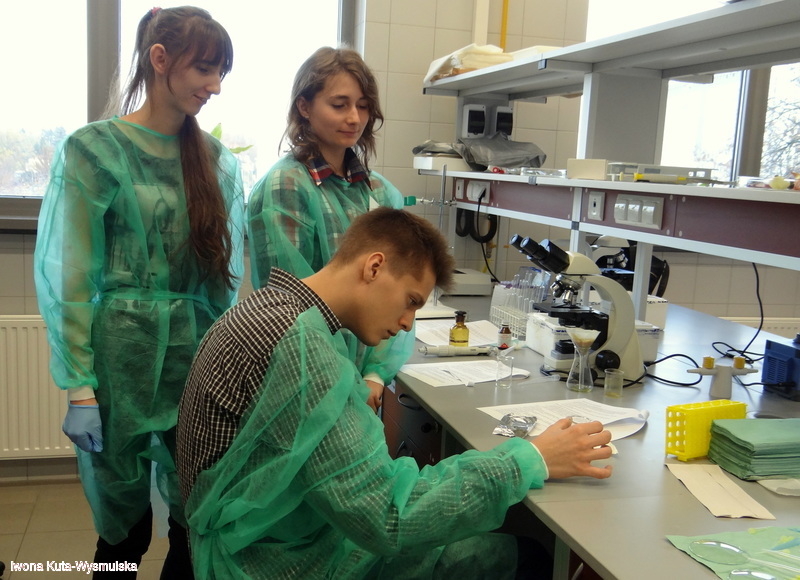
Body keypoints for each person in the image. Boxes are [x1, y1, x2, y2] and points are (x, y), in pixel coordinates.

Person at [177, 207, 613, 579]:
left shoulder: (270, 308)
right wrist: (529, 459)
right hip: (278, 563)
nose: (407, 324)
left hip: (265, 541)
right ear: (374, 267)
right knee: (526, 557)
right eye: (411, 301)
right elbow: (387, 517)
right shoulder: (300, 345)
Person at [34, 6, 244, 578]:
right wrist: (79, 387)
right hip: (117, 366)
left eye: (221, 73)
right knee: (123, 534)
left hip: (195, 364)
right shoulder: (93, 150)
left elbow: (220, 287)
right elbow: (70, 277)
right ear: (159, 59)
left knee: (192, 524)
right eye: (205, 69)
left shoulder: (217, 164)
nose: (215, 86)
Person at [247, 46, 409, 413]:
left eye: (363, 106)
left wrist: (374, 374)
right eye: (339, 105)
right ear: (304, 107)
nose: (354, 118)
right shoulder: (286, 187)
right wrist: (341, 380)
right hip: (307, 376)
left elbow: (396, 290)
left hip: (363, 381)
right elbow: (291, 308)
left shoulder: (378, 192)